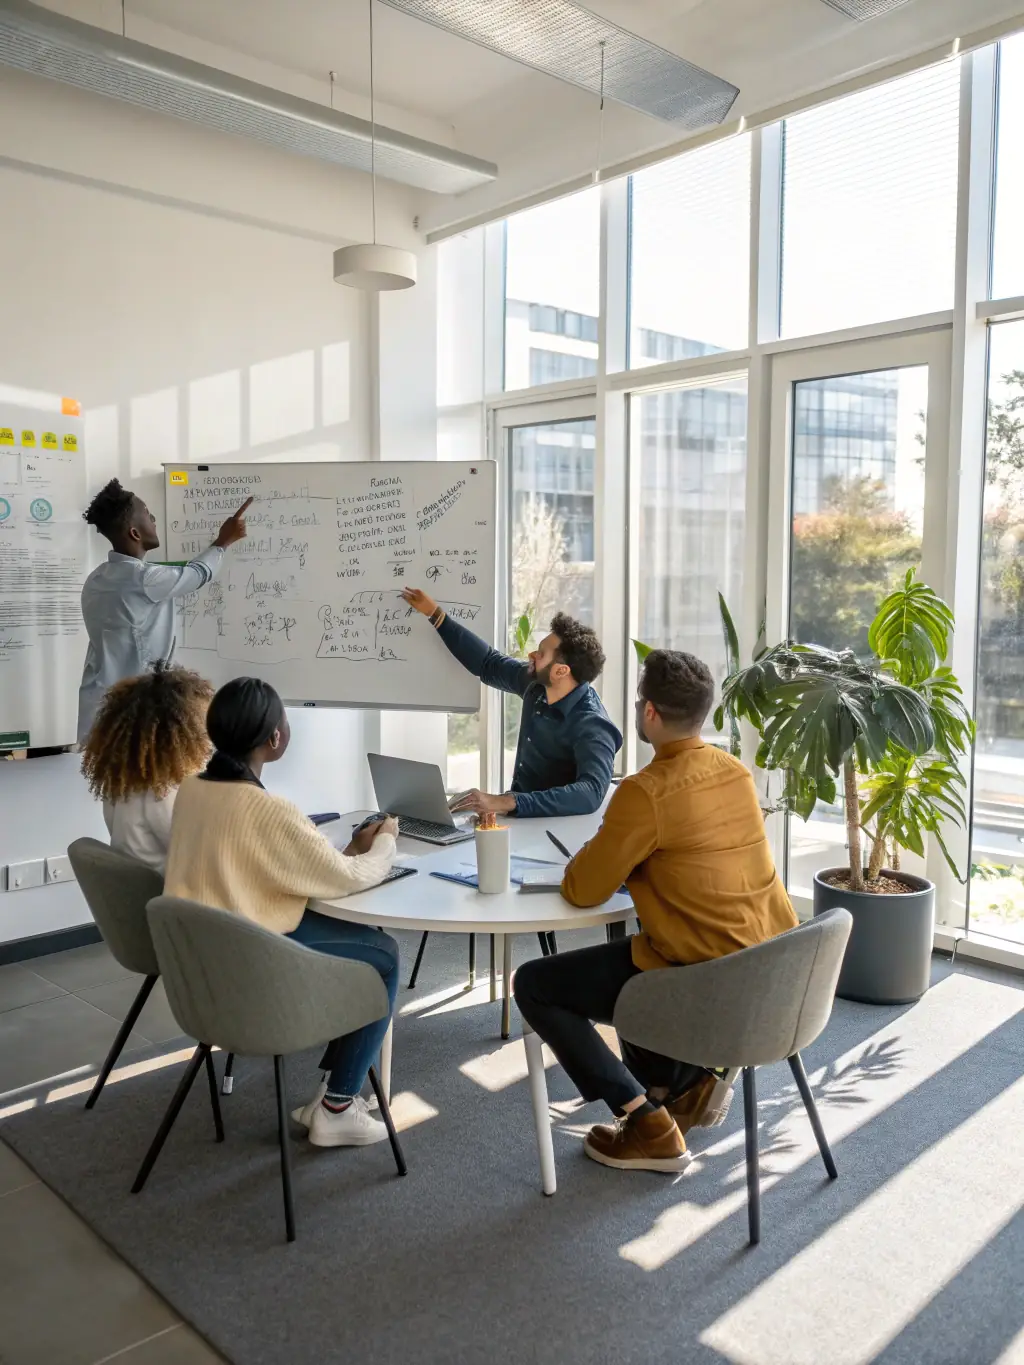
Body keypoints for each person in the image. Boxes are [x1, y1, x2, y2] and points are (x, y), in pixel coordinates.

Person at [513, 649, 798, 1174]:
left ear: (648, 713)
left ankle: (647, 1121)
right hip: (775, 968)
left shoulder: (645, 792)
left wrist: (617, 859)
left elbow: (583, 890)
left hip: (706, 980)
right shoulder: (734, 771)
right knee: (632, 952)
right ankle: (682, 1083)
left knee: (535, 983)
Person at [164, 677, 401, 1148]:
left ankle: (330, 1094)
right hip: (255, 963)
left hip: (200, 963)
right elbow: (349, 879)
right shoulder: (267, 809)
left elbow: (267, 860)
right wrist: (389, 838)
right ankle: (337, 1107)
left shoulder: (192, 790)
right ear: (274, 738)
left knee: (358, 942)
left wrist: (349, 848)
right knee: (384, 954)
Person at [401, 587, 621, 818]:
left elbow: (591, 793)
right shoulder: (537, 687)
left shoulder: (593, 725)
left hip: (557, 833)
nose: (532, 655)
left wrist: (505, 802)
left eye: (541, 654)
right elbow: (488, 663)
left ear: (561, 671)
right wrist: (435, 614)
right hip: (521, 819)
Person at [77, 479, 252, 744]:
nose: (154, 518)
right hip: (137, 711)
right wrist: (223, 541)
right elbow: (198, 574)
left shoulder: (96, 579)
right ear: (135, 533)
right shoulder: (144, 579)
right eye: (147, 514)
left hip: (100, 707)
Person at [80, 664, 215, 874]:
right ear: (177, 733)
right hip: (171, 897)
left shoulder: (123, 785)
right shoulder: (163, 793)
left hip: (139, 898)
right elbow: (204, 856)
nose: (208, 738)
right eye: (202, 726)